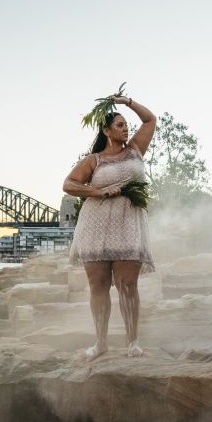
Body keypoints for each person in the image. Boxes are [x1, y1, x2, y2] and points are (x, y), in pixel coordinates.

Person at [64, 94, 156, 360]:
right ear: (106, 131)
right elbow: (69, 184)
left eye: (126, 124)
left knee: (128, 284)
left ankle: (132, 342)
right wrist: (98, 190)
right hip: (96, 224)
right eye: (120, 125)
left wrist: (127, 102)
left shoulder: (136, 149)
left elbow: (150, 120)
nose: (126, 128)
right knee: (99, 285)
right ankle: (101, 342)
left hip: (128, 224)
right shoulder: (94, 160)